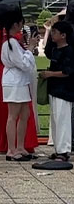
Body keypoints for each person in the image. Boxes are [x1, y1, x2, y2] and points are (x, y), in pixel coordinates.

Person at [0, 6, 40, 155]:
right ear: (15, 24)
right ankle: (11, 148)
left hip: (20, 82)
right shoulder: (9, 43)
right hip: (14, 82)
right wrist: (29, 48)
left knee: (24, 114)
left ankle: (20, 146)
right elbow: (23, 64)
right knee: (13, 115)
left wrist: (28, 48)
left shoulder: (14, 42)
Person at [40, 21, 73, 161]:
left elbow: (67, 72)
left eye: (55, 32)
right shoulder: (54, 50)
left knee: (63, 119)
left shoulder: (69, 51)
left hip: (64, 90)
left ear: (63, 35)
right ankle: (58, 148)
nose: (53, 34)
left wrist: (51, 74)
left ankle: (64, 150)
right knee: (55, 120)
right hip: (53, 88)